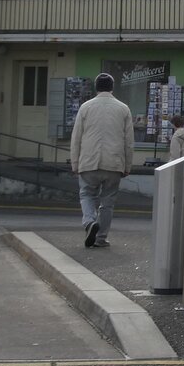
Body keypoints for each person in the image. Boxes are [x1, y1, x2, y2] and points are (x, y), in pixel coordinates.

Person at [70, 73, 134, 249]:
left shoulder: (85, 107)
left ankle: (89, 222)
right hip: (114, 162)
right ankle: (101, 238)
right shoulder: (123, 109)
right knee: (108, 202)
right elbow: (129, 142)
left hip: (89, 161)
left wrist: (75, 163)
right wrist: (127, 166)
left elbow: (76, 138)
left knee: (86, 194)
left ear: (96, 87)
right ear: (112, 87)